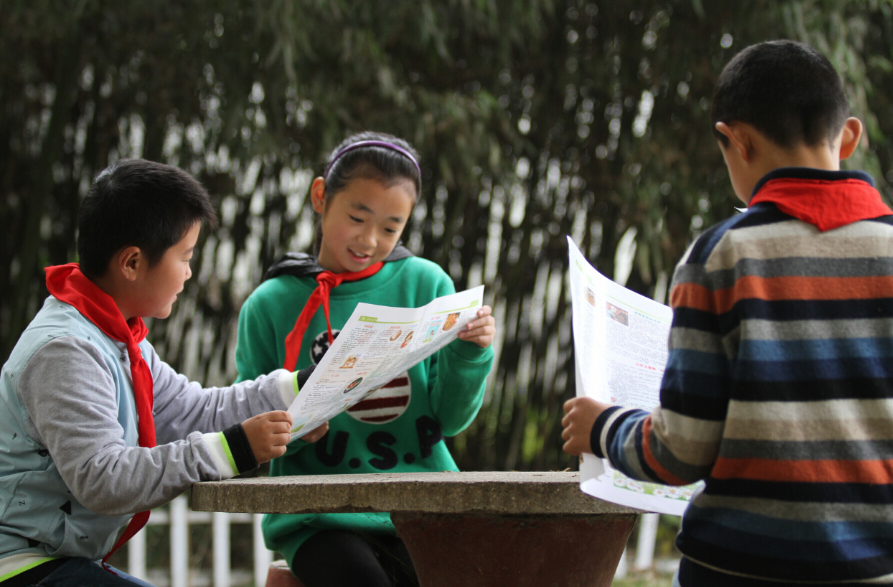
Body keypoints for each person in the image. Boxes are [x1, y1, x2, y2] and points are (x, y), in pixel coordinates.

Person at [561, 40, 893, 587]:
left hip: (738, 569)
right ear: (850, 136)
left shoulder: (721, 256)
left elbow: (677, 453)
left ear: (735, 141)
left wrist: (603, 426)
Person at [0, 159, 324, 587]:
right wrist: (230, 449)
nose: (189, 272)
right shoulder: (66, 350)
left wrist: (300, 387)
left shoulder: (121, 338)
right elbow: (102, 478)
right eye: (185, 256)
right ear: (132, 263)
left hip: (57, 559)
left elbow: (191, 410)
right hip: (9, 563)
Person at [235, 131, 496, 587]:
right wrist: (294, 428)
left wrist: (471, 352)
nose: (370, 239)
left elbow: (451, 421)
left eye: (391, 228)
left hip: (424, 507)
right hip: (318, 520)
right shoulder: (270, 305)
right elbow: (250, 422)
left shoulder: (426, 285)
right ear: (321, 197)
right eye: (357, 217)